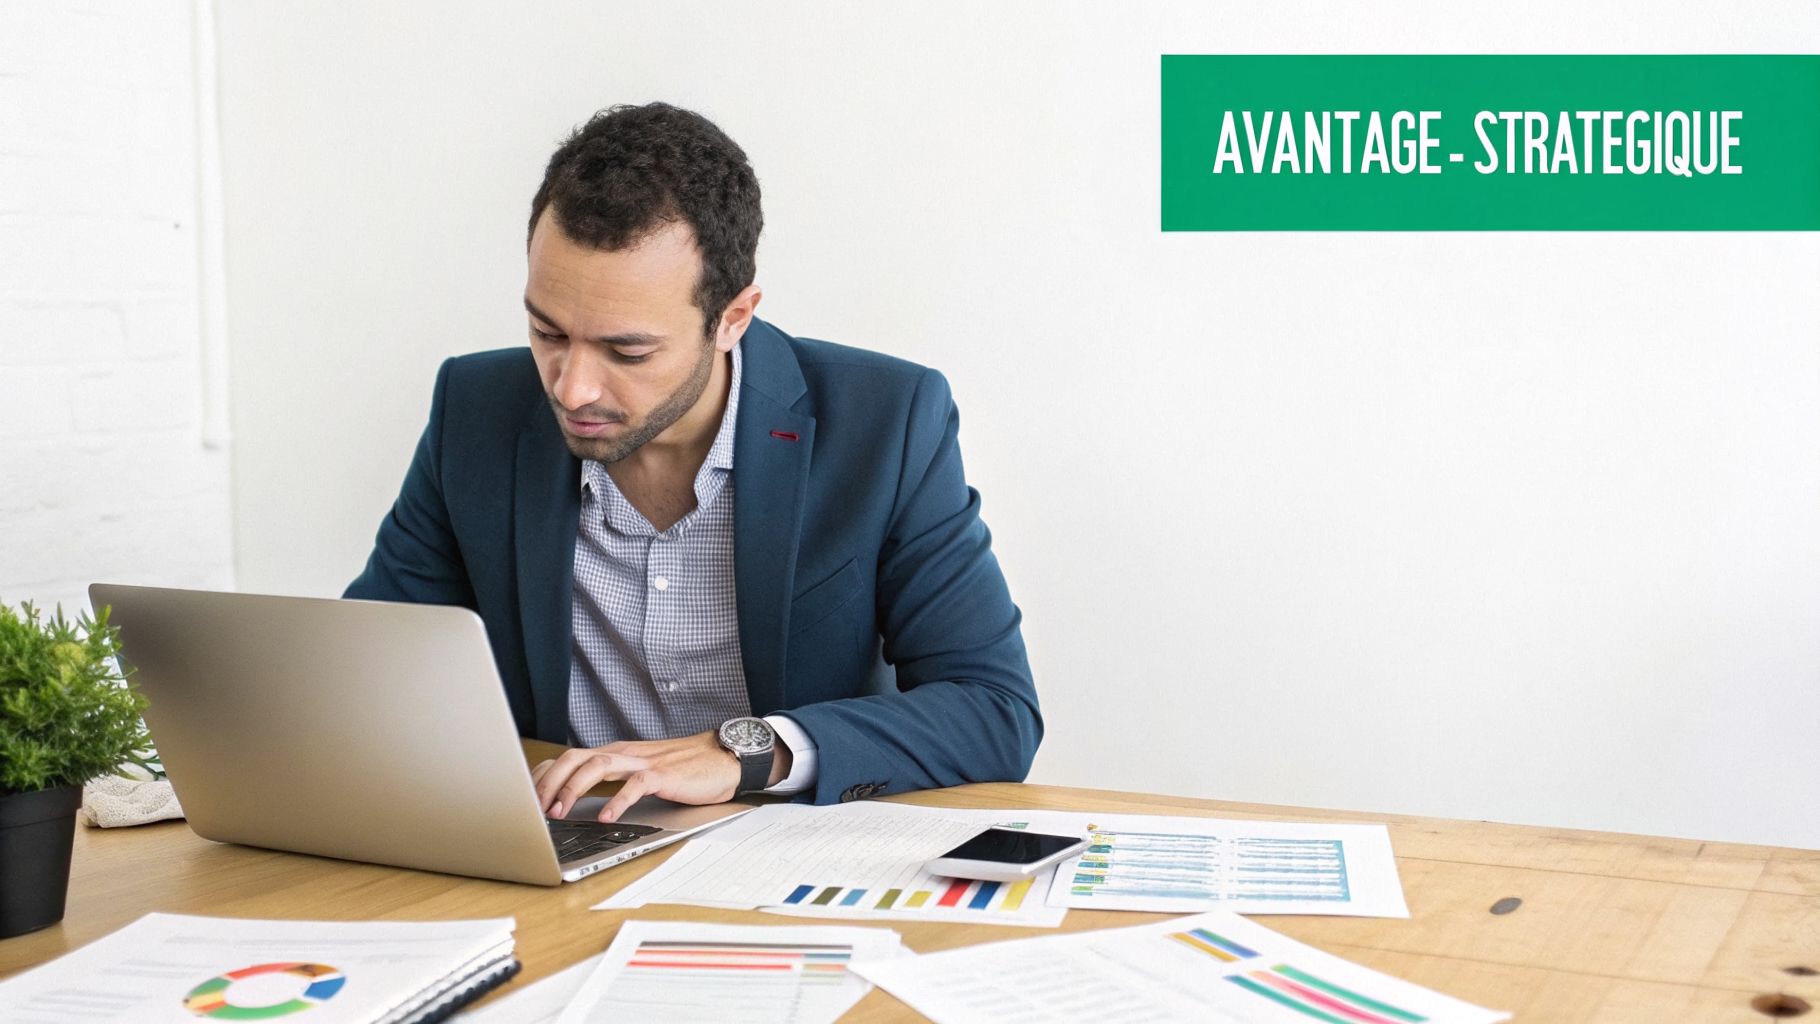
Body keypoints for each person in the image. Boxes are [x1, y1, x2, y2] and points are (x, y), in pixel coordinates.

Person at [346, 102, 1039, 823]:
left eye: (627, 351)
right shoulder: (477, 411)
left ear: (733, 318)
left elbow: (994, 711)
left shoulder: (885, 422)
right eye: (547, 331)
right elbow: (366, 673)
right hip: (568, 844)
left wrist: (743, 751)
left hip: (784, 851)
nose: (571, 387)